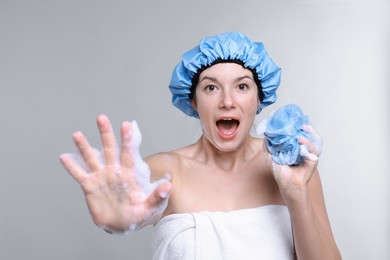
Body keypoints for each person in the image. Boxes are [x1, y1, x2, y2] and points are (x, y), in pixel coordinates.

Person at [60, 32, 341, 259]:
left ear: (259, 99)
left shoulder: (292, 170)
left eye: (242, 87)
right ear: (193, 102)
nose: (227, 101)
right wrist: (119, 218)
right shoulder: (163, 170)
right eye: (211, 87)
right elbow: (136, 200)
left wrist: (296, 194)